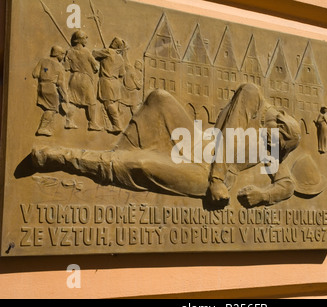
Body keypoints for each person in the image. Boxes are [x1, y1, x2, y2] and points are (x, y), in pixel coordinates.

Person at [31, 83, 302, 207]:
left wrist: (264, 196)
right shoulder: (252, 96)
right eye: (271, 140)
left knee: (142, 164)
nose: (270, 148)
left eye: (275, 147)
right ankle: (112, 158)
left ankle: (64, 158)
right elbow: (231, 130)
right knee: (159, 97)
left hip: (203, 175)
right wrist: (219, 176)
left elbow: (286, 184)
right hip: (197, 144)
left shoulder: (275, 148)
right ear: (276, 121)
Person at [64, 31, 102, 131]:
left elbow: (66, 67)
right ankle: (92, 123)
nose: (86, 40)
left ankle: (69, 121)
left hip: (74, 78)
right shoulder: (86, 52)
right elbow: (96, 66)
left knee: (72, 101)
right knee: (92, 102)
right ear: (81, 40)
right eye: (85, 38)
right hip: (85, 79)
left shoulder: (69, 52)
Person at [93, 37, 127, 134]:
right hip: (115, 83)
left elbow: (94, 54)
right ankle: (112, 124)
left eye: (114, 41)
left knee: (109, 104)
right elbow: (122, 73)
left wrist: (104, 53)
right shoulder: (120, 58)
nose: (112, 42)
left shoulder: (108, 51)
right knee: (111, 104)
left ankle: (117, 125)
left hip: (107, 81)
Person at [32, 46, 68, 136]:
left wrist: (45, 72)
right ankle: (42, 128)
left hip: (41, 86)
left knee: (50, 107)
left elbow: (35, 74)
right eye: (62, 54)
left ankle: (47, 127)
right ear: (58, 54)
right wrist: (65, 95)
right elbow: (60, 83)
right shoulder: (60, 67)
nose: (63, 57)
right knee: (52, 108)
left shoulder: (42, 61)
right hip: (50, 88)